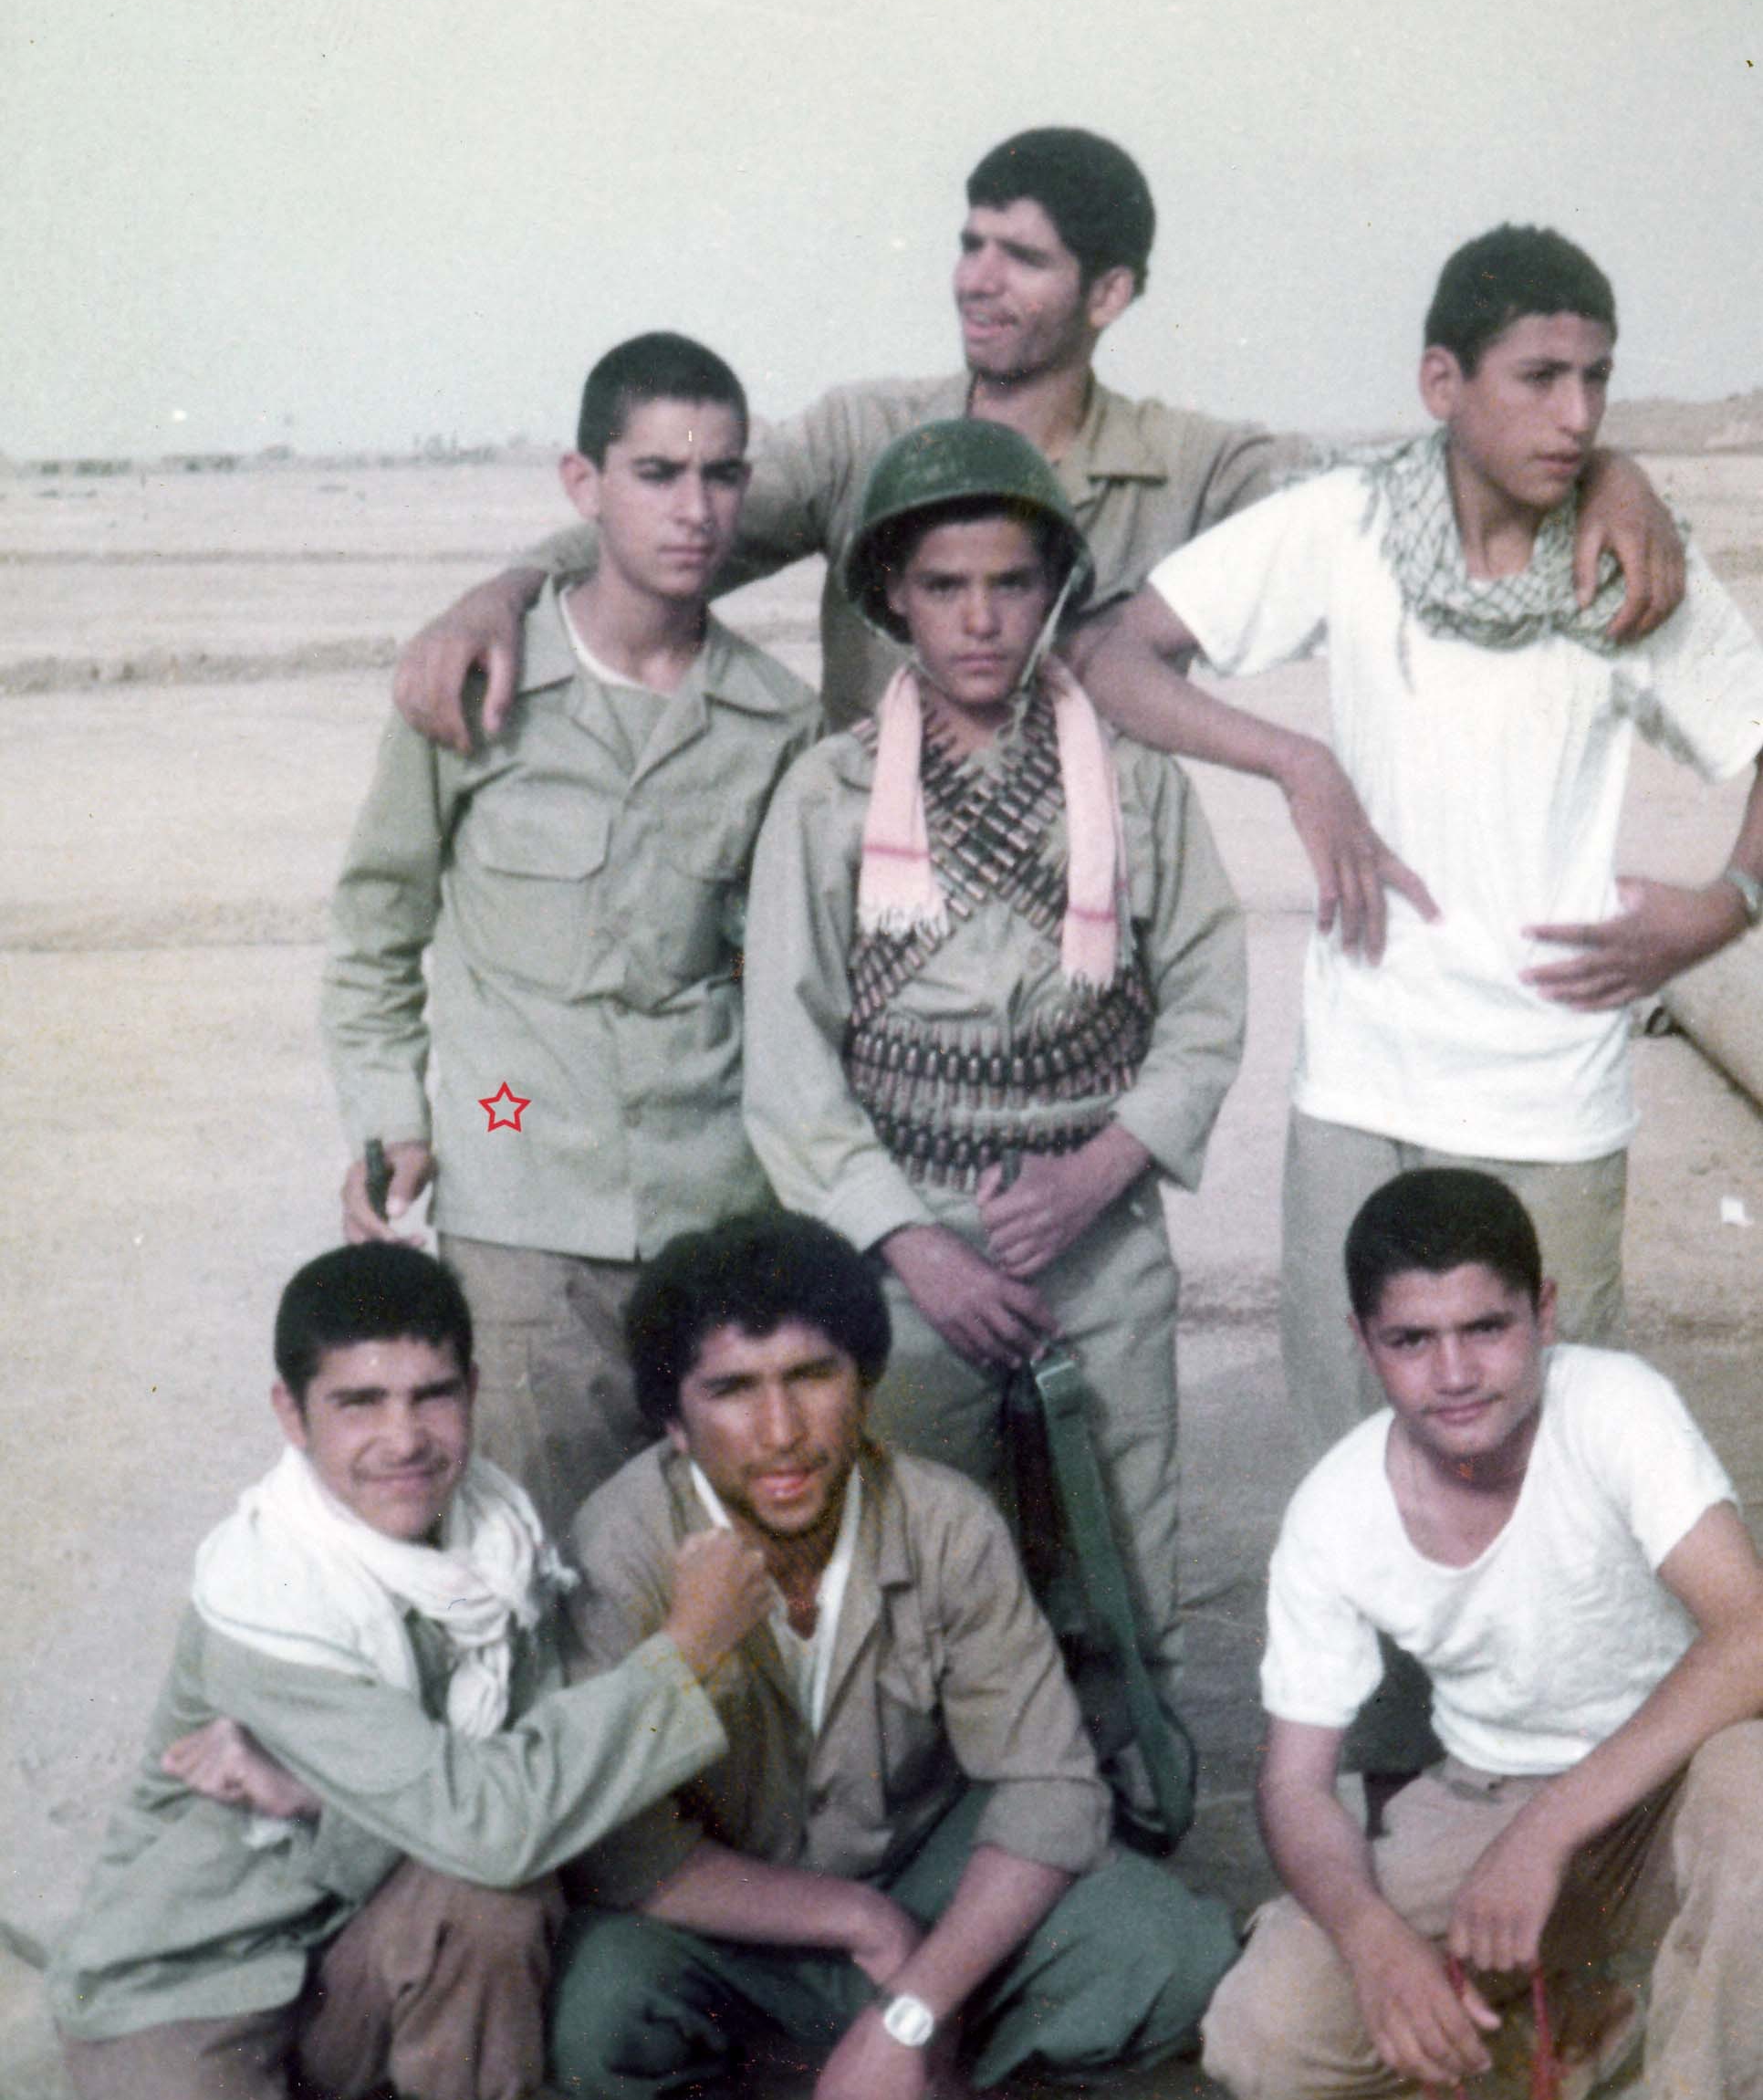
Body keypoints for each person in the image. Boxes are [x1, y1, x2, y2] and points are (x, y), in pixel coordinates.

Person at [390, 134, 1682, 964]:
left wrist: (1611, 472)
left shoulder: (1191, 464)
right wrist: (503, 589)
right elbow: (664, 532)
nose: (977, 278)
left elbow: (1404, 491)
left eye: (1022, 256)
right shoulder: (864, 436)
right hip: (868, 918)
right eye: (970, 243)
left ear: (1108, 293)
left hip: (1075, 945)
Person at [1077, 222, 1763, 1783]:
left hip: (1548, 1099)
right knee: (1359, 1476)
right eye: (1539, 376)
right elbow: (1117, 656)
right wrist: (1293, 759)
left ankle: (1568, 1812)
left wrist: (1721, 906)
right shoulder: (1343, 526)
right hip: (1360, 1094)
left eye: (1596, 380)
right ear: (1441, 382)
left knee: (1553, 1489)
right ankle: (1388, 1806)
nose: (1576, 415)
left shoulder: (1626, 560)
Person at [49, 1244, 770, 2100]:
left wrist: (321, 1793)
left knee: (494, 1892)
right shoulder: (268, 1591)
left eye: (433, 1394)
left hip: (346, 1942)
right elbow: (494, 1805)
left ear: (474, 1391)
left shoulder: (494, 1538)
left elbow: (508, 1810)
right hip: (191, 1978)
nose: (405, 1438)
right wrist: (683, 1651)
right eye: (359, 1402)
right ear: (291, 1414)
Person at [548, 1213, 1239, 2100]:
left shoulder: (944, 1518)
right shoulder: (619, 1546)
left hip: (920, 1869)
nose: (781, 1431)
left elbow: (1051, 1791)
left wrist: (912, 2010)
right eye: (732, 1390)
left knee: (1172, 1956)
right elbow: (622, 1847)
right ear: (674, 1423)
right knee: (597, 2011)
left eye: (812, 1376)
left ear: (865, 1383)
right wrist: (861, 1925)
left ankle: (916, 2049)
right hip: (730, 1917)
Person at [738, 419, 1243, 1784]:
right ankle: (940, 1827)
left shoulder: (1135, 783)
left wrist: (1099, 1171)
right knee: (914, 1555)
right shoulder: (830, 799)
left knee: (1121, 1544)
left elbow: (1205, 1009)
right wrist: (916, 1247)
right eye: (944, 586)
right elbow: (789, 1060)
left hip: (1097, 1223)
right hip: (905, 1246)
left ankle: (1131, 1807)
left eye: (1011, 583)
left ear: (1055, 590)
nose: (979, 618)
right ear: (892, 597)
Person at [1198, 1169, 1763, 2100]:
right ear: (1363, 1342)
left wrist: (1549, 1826)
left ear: (1544, 1311)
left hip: (1674, 1780)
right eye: (1412, 1339)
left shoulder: (1615, 1406)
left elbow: (1750, 1635)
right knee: (1264, 2038)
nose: (1454, 1372)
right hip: (1485, 1800)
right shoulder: (1335, 1510)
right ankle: (1584, 2026)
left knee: (1757, 1794)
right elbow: (1293, 1782)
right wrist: (1372, 1938)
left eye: (1486, 1327)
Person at [322, 332, 822, 1537]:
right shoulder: (477, 688)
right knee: (537, 1556)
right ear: (583, 483)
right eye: (657, 472)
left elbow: (785, 983)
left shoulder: (778, 724)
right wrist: (394, 1120)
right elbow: (377, 927)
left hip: (716, 1212)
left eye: (721, 474)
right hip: (518, 1186)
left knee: (726, 1557)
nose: (694, 509)